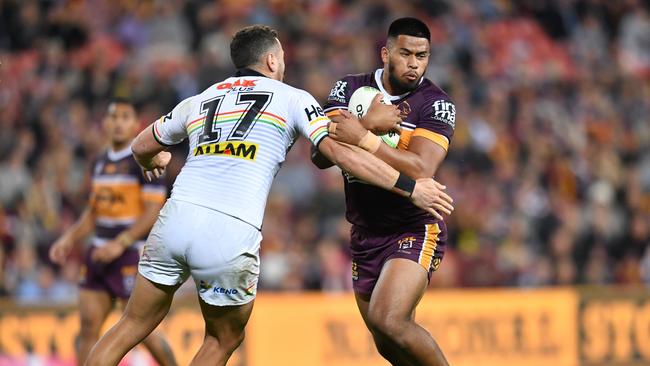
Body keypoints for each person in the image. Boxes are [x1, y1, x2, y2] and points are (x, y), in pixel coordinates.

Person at [84, 25, 453, 366]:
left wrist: (155, 157)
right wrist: (406, 185)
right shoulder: (292, 99)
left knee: (131, 323)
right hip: (229, 231)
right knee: (221, 338)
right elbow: (337, 153)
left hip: (176, 219)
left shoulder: (202, 98)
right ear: (272, 60)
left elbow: (140, 144)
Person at [312, 17, 455, 365]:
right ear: (385, 53)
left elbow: (422, 168)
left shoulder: (435, 103)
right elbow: (319, 154)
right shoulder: (347, 88)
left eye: (422, 56)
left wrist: (364, 138)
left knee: (387, 319)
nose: (414, 63)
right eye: (405, 53)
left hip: (413, 227)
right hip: (364, 232)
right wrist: (365, 123)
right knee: (386, 342)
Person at [49, 99, 177, 366]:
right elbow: (94, 211)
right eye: (113, 117)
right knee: (87, 329)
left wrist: (121, 243)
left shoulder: (145, 160)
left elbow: (153, 211)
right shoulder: (98, 162)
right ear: (105, 123)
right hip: (98, 252)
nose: (118, 122)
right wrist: (69, 238)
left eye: (125, 117)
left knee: (145, 332)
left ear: (135, 124)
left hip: (130, 254)